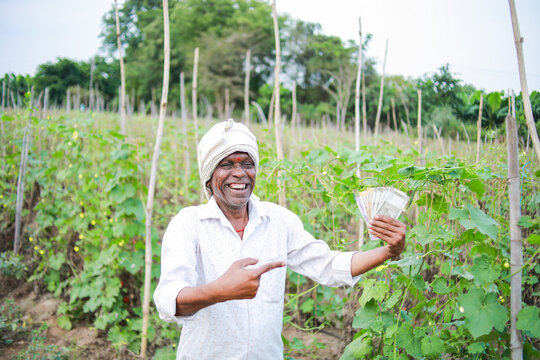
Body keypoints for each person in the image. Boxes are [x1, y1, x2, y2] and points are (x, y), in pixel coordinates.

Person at [154, 119, 406, 359]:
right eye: (226, 165)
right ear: (209, 175)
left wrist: (388, 252)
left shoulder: (278, 220)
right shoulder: (189, 224)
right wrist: (220, 291)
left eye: (247, 164)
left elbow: (328, 266)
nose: (239, 173)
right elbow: (168, 299)